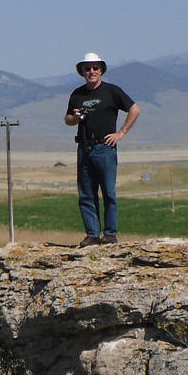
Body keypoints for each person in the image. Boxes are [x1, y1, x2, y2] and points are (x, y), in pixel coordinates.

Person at [65, 53, 140, 246]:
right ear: (82, 71)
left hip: (104, 147)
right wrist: (75, 117)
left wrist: (120, 133)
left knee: (108, 192)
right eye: (87, 68)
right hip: (84, 147)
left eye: (95, 68)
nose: (91, 72)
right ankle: (92, 234)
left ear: (101, 70)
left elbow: (135, 109)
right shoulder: (77, 94)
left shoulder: (112, 91)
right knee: (86, 194)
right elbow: (68, 120)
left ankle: (109, 233)